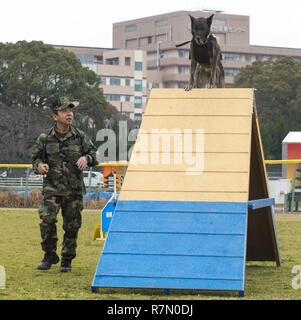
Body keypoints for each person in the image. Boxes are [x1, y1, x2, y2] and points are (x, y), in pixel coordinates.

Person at [31, 97, 98, 272]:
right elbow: (35, 158)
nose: (69, 114)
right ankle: (49, 255)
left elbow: (94, 154)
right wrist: (39, 166)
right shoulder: (45, 138)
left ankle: (67, 260)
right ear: (55, 116)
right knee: (47, 221)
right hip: (52, 189)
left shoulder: (80, 136)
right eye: (64, 111)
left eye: (71, 111)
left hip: (73, 190)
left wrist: (86, 158)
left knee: (72, 225)